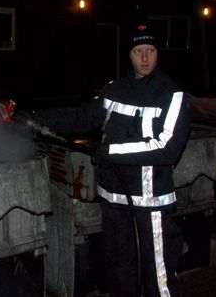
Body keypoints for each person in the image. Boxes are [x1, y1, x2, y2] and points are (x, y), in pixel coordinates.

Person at [27, 23, 191, 297]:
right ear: (129, 54)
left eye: (150, 50)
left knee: (157, 278)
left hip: (150, 206)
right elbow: (82, 117)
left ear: (157, 52)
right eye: (138, 50)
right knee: (118, 273)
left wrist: (110, 150)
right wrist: (33, 118)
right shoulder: (115, 90)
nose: (145, 57)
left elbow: (167, 148)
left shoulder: (171, 95)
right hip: (113, 201)